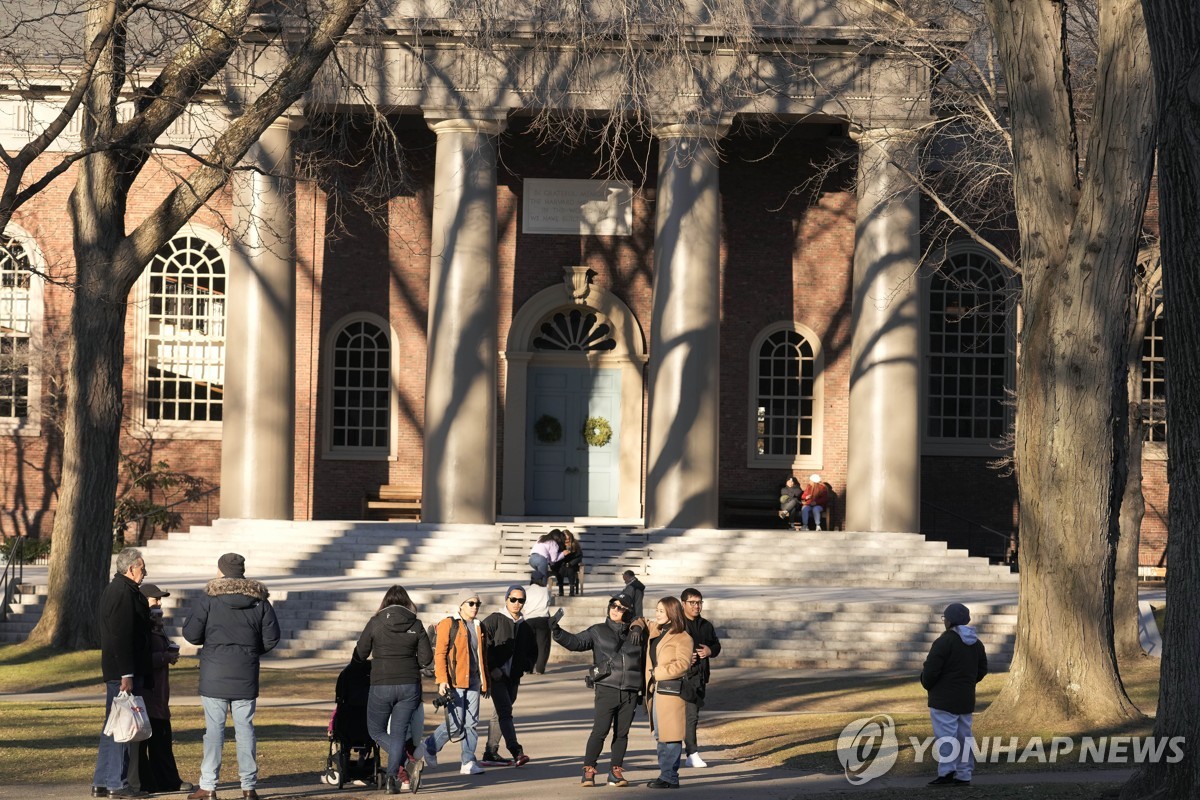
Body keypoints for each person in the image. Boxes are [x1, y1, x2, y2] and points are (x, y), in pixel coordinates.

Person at [183, 553, 280, 800]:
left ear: (221, 571)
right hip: (245, 673)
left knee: (213, 731)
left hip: (214, 673)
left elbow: (192, 635)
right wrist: (249, 651)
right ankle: (248, 786)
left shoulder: (209, 600)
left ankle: (209, 786)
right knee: (245, 729)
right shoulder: (259, 602)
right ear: (242, 571)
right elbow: (271, 638)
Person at [552, 595, 647, 788]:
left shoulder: (637, 633)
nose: (615, 610)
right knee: (600, 731)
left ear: (628, 612)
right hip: (607, 688)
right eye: (613, 606)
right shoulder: (598, 630)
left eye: (621, 608)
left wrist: (638, 626)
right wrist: (557, 631)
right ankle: (589, 771)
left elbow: (650, 629)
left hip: (630, 691)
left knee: (622, 734)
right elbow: (576, 643)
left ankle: (615, 771)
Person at [355, 585, 433, 794]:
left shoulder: (376, 622)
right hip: (409, 685)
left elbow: (361, 653)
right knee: (398, 734)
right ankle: (392, 779)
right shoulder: (416, 624)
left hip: (382, 683)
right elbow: (426, 659)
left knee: (376, 731)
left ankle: (408, 765)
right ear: (407, 603)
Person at [93, 547, 153, 799]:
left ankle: (103, 781)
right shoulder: (122, 593)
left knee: (113, 725)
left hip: (120, 669)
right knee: (123, 727)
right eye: (142, 568)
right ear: (131, 569)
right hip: (122, 672)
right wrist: (127, 673)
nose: (145, 572)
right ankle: (117, 784)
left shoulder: (121, 590)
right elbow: (120, 636)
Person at [418, 590, 490, 777]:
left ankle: (468, 761)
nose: (475, 607)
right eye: (471, 603)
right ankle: (430, 745)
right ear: (461, 605)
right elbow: (440, 654)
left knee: (471, 723)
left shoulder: (478, 626)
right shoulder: (448, 624)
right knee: (456, 724)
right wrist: (442, 680)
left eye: (477, 604)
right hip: (455, 681)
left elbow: (481, 656)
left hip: (474, 681)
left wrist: (485, 681)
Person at [920, 602, 988, 787]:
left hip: (943, 699)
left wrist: (928, 684)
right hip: (965, 698)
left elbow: (931, 670)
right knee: (964, 736)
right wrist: (967, 683)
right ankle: (964, 773)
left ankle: (947, 772)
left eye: (945, 619)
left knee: (946, 736)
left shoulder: (944, 641)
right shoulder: (976, 643)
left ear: (948, 621)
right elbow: (982, 669)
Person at [137, 583, 190, 794]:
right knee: (150, 740)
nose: (159, 603)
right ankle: (151, 782)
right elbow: (139, 657)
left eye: (160, 600)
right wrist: (163, 657)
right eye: (155, 599)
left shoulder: (156, 624)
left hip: (158, 693)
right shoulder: (142, 625)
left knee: (161, 739)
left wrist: (167, 653)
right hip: (147, 692)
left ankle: (164, 780)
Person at [480, 585, 538, 766]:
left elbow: (533, 651)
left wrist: (526, 665)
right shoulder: (494, 620)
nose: (517, 603)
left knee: (499, 714)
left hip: (513, 678)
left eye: (521, 600)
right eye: (513, 599)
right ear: (506, 599)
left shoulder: (526, 626)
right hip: (497, 677)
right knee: (505, 713)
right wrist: (492, 668)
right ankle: (516, 751)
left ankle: (490, 752)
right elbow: (482, 644)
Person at [642, 596, 694, 789]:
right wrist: (636, 626)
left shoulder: (683, 637)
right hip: (657, 691)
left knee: (670, 735)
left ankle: (670, 777)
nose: (657, 614)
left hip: (671, 691)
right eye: (656, 610)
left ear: (672, 613)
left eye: (661, 611)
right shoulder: (658, 630)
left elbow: (683, 665)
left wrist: (658, 673)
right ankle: (666, 775)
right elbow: (643, 621)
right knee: (660, 735)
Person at [679, 588, 721, 768]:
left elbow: (716, 645)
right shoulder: (676, 624)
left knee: (692, 715)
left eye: (699, 602)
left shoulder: (706, 625)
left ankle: (690, 753)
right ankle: (691, 752)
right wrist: (685, 657)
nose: (697, 606)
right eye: (693, 603)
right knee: (687, 716)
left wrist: (710, 651)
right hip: (680, 677)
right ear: (683, 604)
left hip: (700, 677)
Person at [523, 577, 553, 675]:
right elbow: (549, 602)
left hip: (529, 620)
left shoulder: (526, 591)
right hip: (542, 619)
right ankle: (540, 669)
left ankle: (528, 668)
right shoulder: (545, 590)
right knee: (543, 645)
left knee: (529, 645)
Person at [552, 530, 584, 596]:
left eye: (568, 539)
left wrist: (571, 562)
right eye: (565, 539)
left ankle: (572, 591)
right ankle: (561, 590)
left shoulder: (575, 543)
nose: (567, 540)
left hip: (572, 564)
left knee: (570, 570)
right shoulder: (559, 544)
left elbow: (579, 556)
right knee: (560, 570)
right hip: (562, 564)